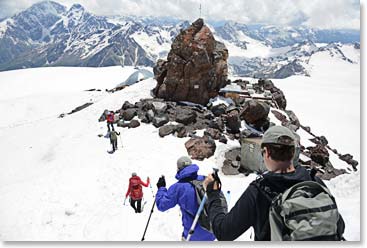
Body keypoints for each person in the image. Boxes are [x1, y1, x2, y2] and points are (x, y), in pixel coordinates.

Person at [203, 125, 345, 241]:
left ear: (267, 153)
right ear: (292, 153)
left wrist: (213, 193)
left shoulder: (259, 191)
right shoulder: (314, 182)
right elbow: (339, 225)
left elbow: (224, 232)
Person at [155, 156, 216, 241]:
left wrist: (161, 188)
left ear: (178, 169)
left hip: (192, 235)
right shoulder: (205, 179)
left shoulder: (178, 187)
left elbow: (162, 205)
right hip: (212, 232)